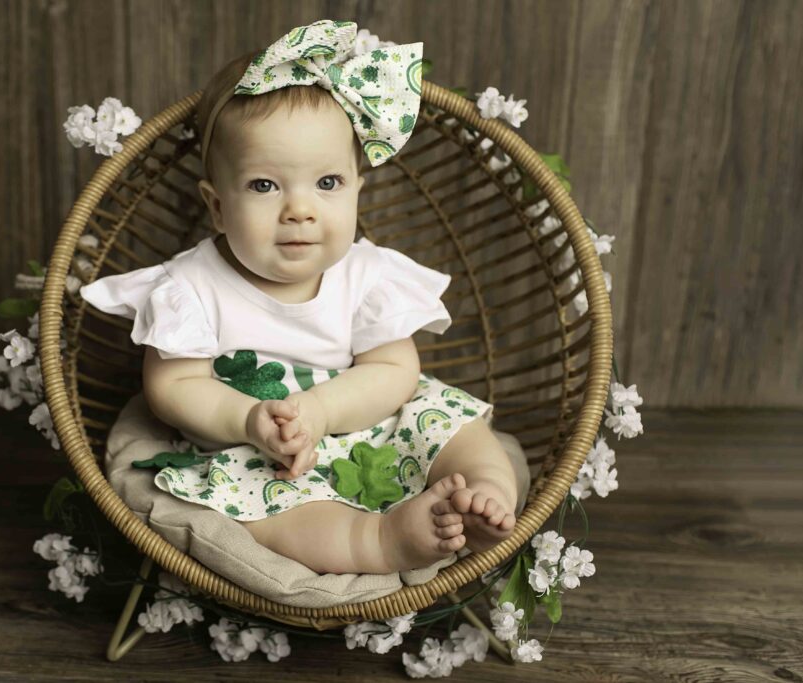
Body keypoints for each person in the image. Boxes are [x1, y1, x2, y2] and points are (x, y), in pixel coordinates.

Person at [80, 20, 527, 575]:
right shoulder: (190, 286)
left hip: (360, 414)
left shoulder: (366, 274)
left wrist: (321, 410)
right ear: (217, 207)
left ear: (358, 189)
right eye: (265, 186)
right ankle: (382, 540)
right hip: (260, 447)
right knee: (274, 516)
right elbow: (173, 387)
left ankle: (485, 496)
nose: (300, 209)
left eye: (328, 183)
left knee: (448, 422)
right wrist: (250, 422)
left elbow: (393, 371)